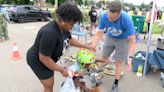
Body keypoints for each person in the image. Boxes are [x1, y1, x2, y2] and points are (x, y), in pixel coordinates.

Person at [26, 3, 92, 92]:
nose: (72, 27)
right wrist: (62, 70)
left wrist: (84, 45)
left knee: (51, 79)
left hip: (48, 57)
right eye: (72, 24)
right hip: (38, 60)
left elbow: (70, 40)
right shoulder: (49, 33)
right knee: (49, 85)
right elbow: (44, 58)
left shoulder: (64, 28)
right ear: (63, 21)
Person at [89, 1, 135, 92]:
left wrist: (130, 57)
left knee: (119, 61)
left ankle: (115, 83)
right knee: (103, 57)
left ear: (119, 14)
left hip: (123, 39)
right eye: (109, 16)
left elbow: (132, 41)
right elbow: (98, 34)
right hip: (110, 37)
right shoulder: (104, 16)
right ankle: (99, 77)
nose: (109, 19)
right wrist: (93, 46)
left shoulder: (126, 19)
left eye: (112, 18)